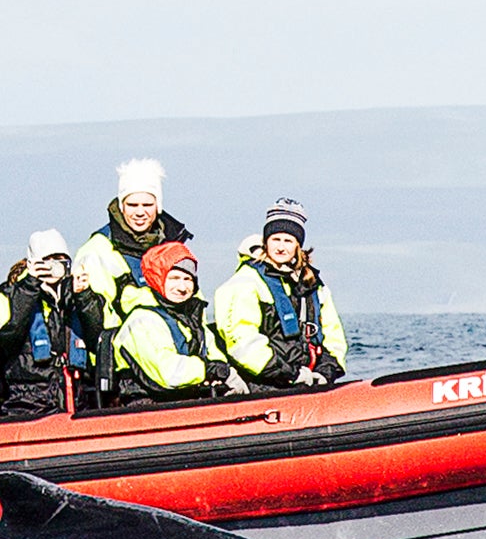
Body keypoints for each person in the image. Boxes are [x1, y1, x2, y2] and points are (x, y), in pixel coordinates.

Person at [0, 228, 109, 422]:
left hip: (75, 405)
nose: (53, 267)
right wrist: (30, 285)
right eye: (47, 261)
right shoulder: (13, 295)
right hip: (28, 407)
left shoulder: (76, 299)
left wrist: (84, 296)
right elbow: (6, 334)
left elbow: (97, 337)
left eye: (60, 260)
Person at [106, 237, 249, 407]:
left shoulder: (191, 320)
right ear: (158, 279)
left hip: (187, 402)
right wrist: (210, 371)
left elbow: (213, 354)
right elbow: (168, 373)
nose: (182, 287)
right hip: (147, 409)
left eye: (188, 279)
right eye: (174, 278)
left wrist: (222, 372)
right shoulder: (142, 320)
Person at [233, 198, 351, 391]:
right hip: (267, 384)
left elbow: (333, 335)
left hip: (312, 380)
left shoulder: (314, 285)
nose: (281, 247)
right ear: (265, 242)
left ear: (298, 244)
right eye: (275, 239)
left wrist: (326, 371)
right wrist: (290, 374)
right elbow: (242, 339)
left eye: (288, 240)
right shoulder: (245, 282)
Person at [80, 157, 191, 310]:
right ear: (121, 206)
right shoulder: (97, 250)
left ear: (158, 206)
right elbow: (95, 317)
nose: (140, 212)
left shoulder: (173, 244)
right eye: (132, 205)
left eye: (147, 205)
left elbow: (194, 304)